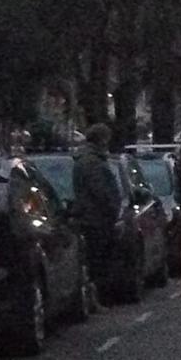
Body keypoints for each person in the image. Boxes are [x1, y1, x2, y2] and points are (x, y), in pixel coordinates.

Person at [72, 121, 122, 285]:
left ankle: (97, 295)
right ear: (102, 140)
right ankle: (98, 294)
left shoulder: (87, 159)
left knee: (96, 259)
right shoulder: (92, 162)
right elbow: (100, 190)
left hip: (93, 216)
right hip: (96, 218)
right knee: (98, 259)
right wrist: (112, 207)